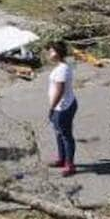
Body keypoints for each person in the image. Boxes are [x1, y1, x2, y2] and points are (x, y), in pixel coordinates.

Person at [45, 40, 78, 177]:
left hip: (63, 107)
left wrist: (52, 108)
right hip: (63, 105)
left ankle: (69, 165)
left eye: (51, 51)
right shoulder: (63, 66)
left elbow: (59, 91)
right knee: (59, 133)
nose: (49, 53)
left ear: (58, 53)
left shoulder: (62, 69)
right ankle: (62, 159)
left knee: (65, 135)